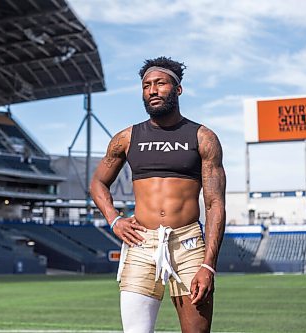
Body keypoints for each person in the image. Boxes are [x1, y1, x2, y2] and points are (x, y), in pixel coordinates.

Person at [90, 56, 226, 333]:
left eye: (160, 83)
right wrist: (115, 220)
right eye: (146, 85)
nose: (152, 90)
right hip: (140, 244)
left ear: (177, 89)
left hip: (188, 245)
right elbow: (98, 183)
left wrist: (208, 265)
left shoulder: (202, 137)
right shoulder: (126, 138)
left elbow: (214, 204)